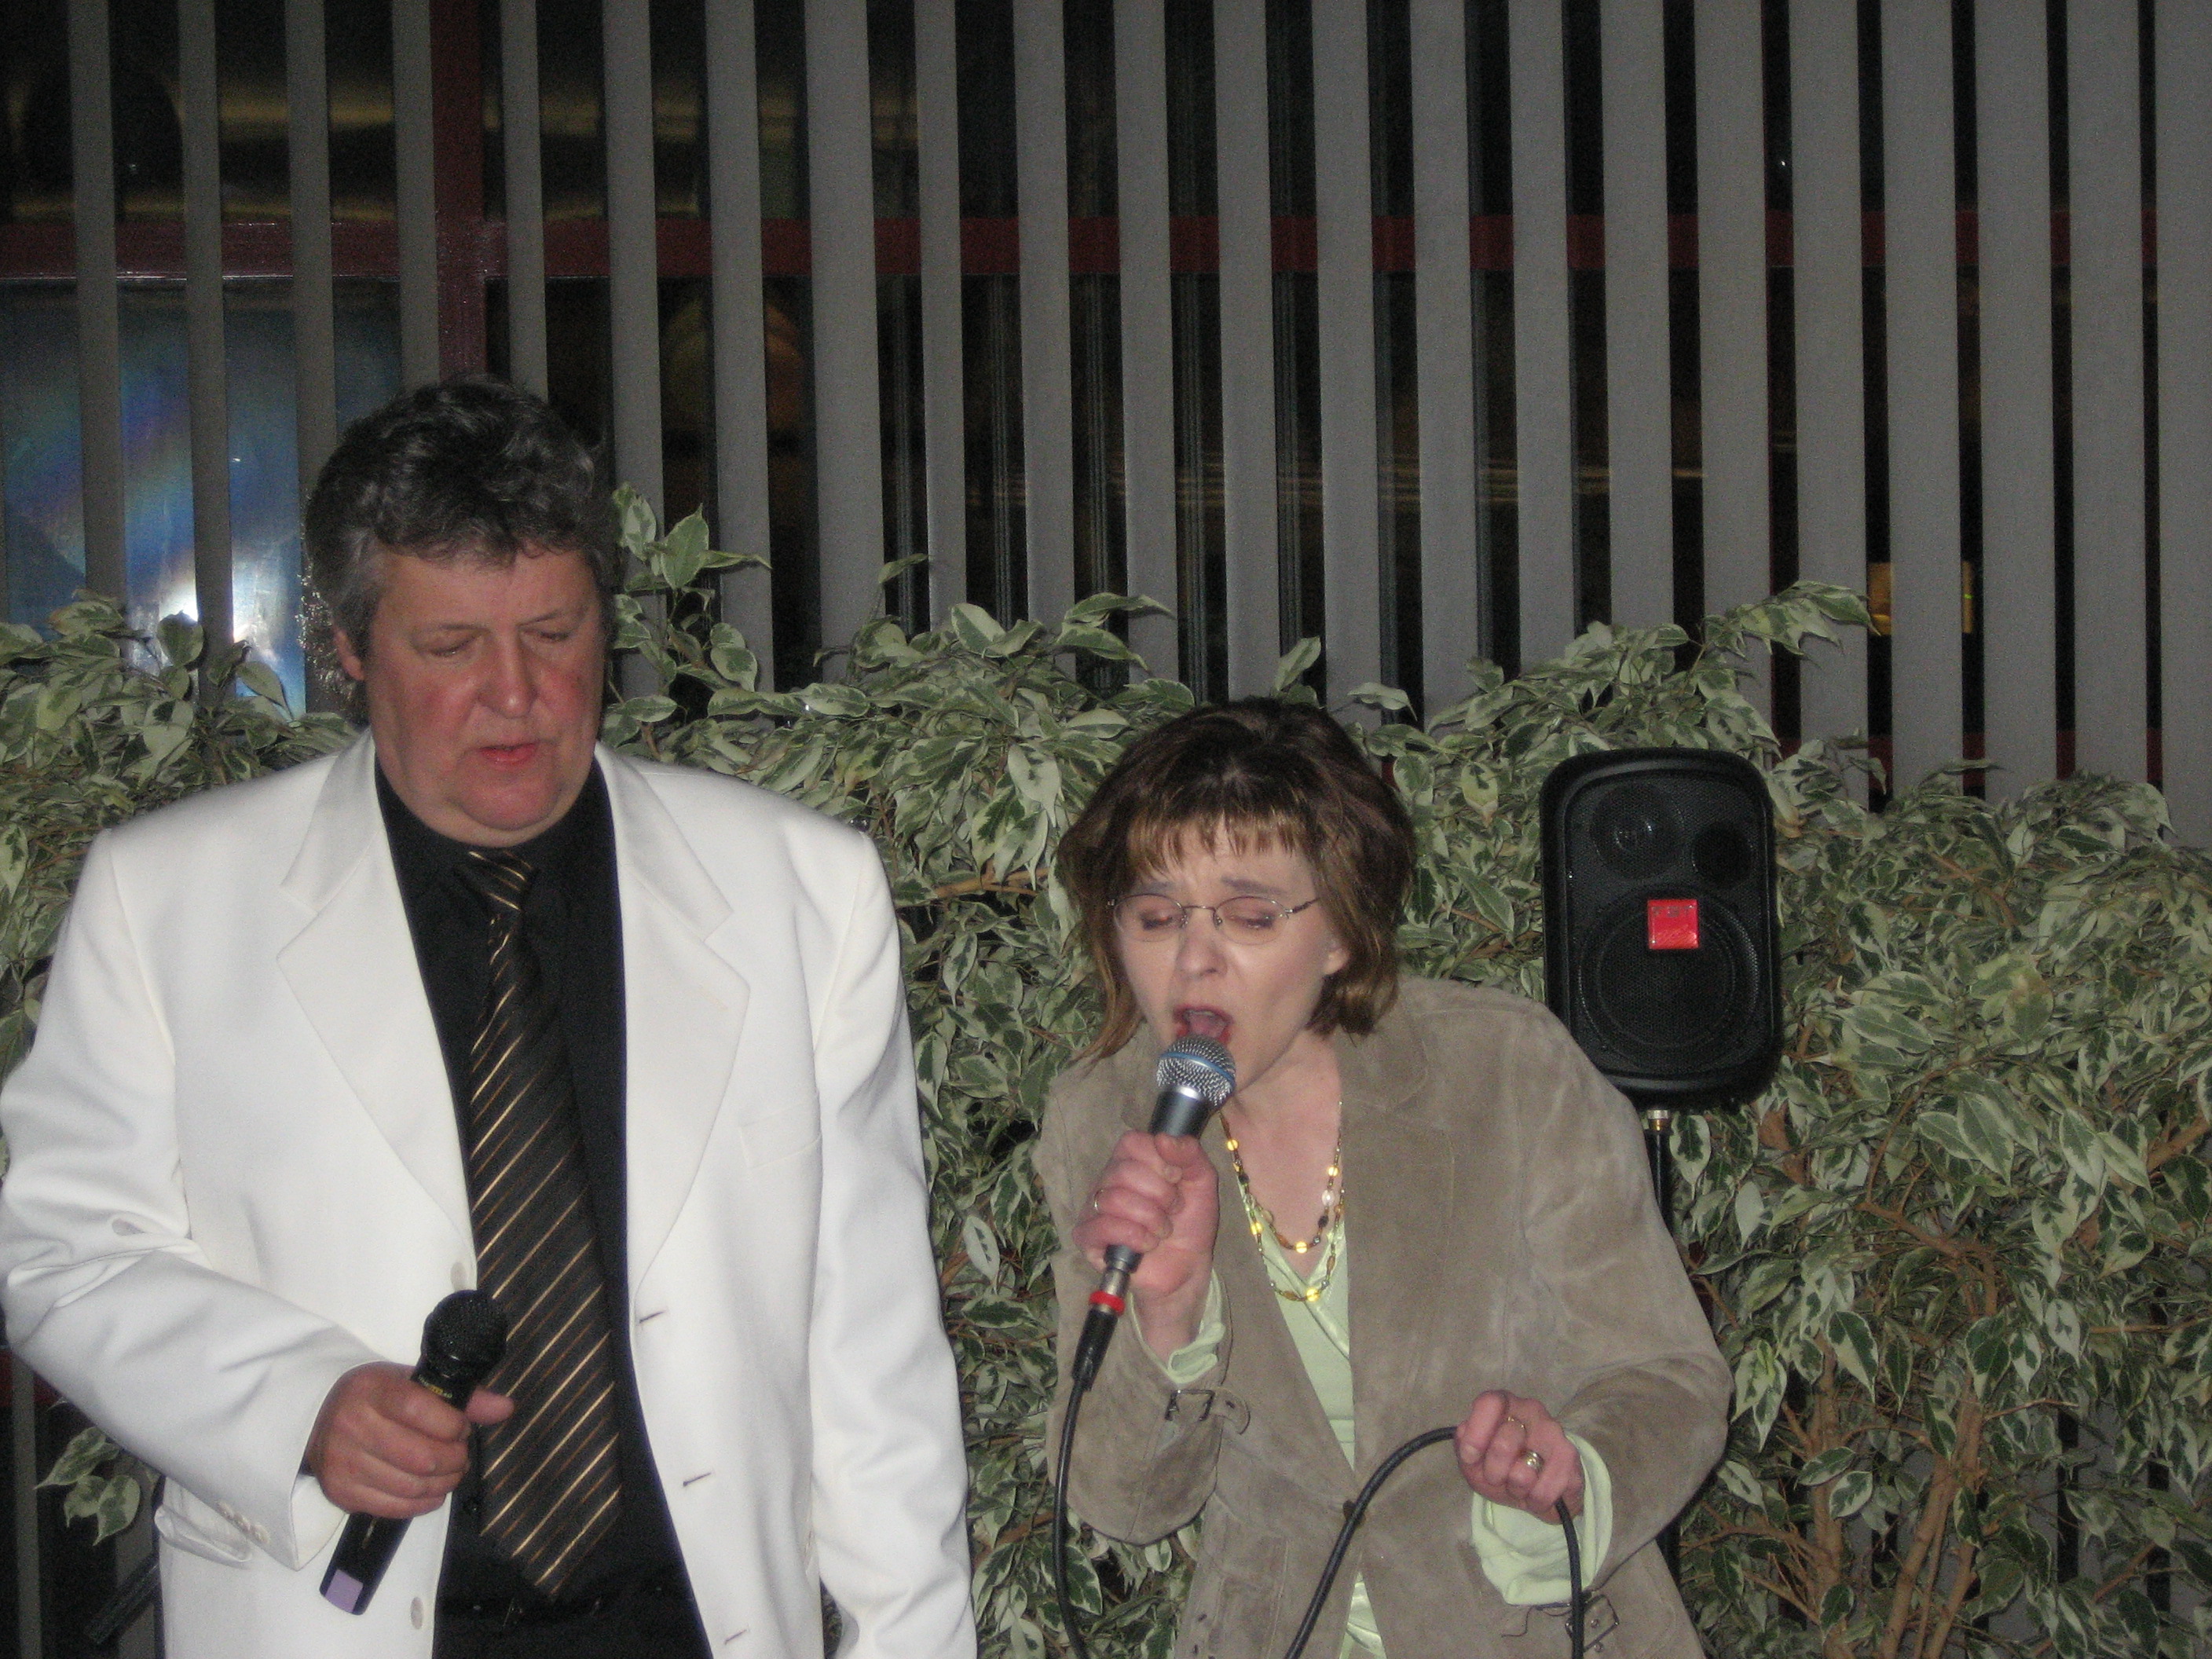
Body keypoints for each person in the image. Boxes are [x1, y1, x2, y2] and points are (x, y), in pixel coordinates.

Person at [0, 379, 977, 1659]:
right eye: (452, 647)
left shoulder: (800, 890)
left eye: (555, 634)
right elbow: (64, 1250)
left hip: (697, 1626)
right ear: (350, 648)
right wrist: (297, 1406)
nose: (516, 694)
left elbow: (873, 1347)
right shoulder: (169, 899)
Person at [1039, 700, 1730, 1659]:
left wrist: (1567, 1476)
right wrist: (1166, 1324)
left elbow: (1667, 1379)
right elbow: (1122, 1503)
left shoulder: (1502, 1070)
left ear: (1340, 933)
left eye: (1250, 916)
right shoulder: (1102, 1123)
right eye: (1155, 917)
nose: (1194, 962)